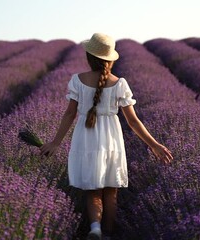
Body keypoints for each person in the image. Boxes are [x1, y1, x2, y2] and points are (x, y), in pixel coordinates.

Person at [40, 33, 173, 240]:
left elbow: (69, 114)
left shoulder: (77, 80)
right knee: (111, 190)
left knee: (92, 189)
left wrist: (56, 142)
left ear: (89, 57)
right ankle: (109, 234)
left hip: (86, 137)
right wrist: (153, 144)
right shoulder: (119, 83)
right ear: (110, 59)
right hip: (111, 138)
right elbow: (133, 121)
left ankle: (95, 229)